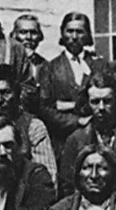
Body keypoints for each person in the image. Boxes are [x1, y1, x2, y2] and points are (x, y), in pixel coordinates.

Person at [31, 13, 104, 144]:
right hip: (62, 140)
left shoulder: (100, 66)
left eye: (80, 32)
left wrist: (67, 105)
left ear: (87, 34)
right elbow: (44, 107)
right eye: (70, 31)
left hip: (96, 137)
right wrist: (77, 121)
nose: (74, 37)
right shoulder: (50, 68)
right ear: (62, 33)